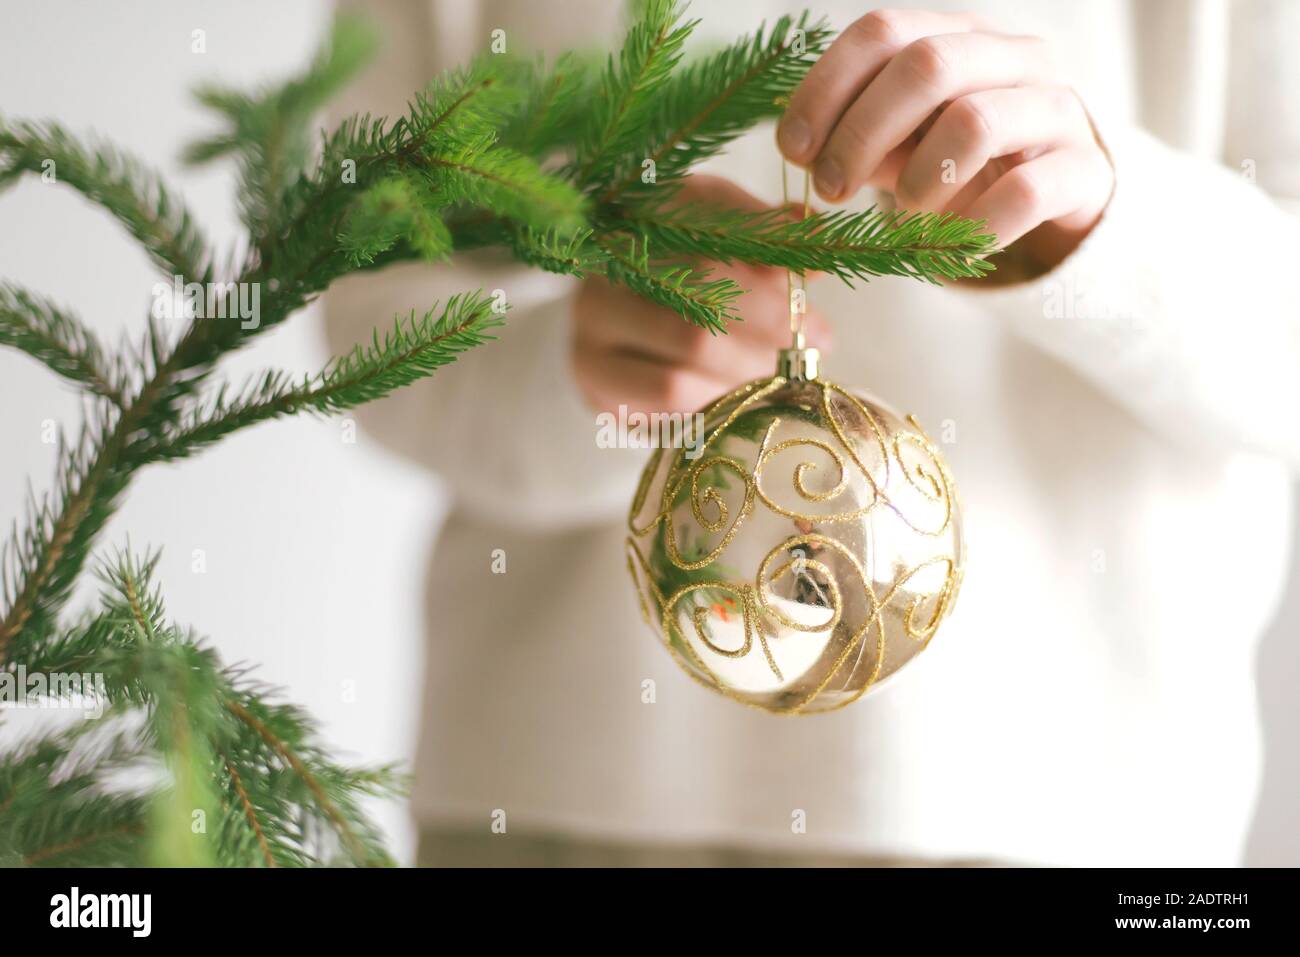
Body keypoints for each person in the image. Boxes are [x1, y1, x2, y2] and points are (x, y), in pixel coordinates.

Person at [324, 0, 1300, 866]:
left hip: (1076, 812)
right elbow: (364, 322)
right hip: (555, 801)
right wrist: (579, 373)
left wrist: (1101, 233)